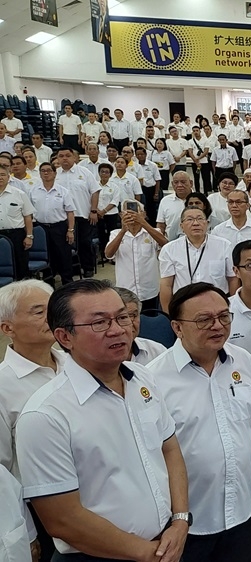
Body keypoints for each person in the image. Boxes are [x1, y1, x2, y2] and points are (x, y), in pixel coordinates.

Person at [16, 279, 191, 561]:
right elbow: (63, 519)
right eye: (100, 323)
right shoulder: (45, 416)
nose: (119, 329)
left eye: (123, 317)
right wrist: (148, 554)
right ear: (64, 337)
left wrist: (181, 519)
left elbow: (169, 448)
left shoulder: (142, 377)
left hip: (165, 544)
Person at [145, 283, 251, 562]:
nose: (218, 326)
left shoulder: (244, 361)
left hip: (242, 510)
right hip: (187, 523)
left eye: (224, 316)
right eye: (204, 320)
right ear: (177, 328)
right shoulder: (153, 380)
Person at [0, 280, 61, 562]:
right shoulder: (4, 385)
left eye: (52, 309)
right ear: (7, 328)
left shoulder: (76, 364)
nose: (50, 317)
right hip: (42, 510)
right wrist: (26, 533)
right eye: (38, 312)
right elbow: (2, 472)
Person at [158, 207, 238, 311]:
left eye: (200, 219)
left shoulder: (224, 245)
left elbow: (233, 279)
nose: (196, 223)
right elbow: (166, 284)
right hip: (184, 304)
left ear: (207, 223)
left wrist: (232, 307)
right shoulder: (169, 249)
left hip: (217, 303)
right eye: (190, 219)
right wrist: (168, 314)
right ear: (181, 226)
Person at [27, 163, 77, 286]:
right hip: (40, 228)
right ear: (39, 174)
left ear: (55, 173)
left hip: (59, 227)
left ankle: (67, 283)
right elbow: (28, 212)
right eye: (42, 171)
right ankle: (48, 282)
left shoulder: (63, 191)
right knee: (47, 256)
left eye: (49, 170)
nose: (46, 173)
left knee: (63, 255)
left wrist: (70, 230)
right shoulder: (33, 191)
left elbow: (70, 212)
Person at [55, 148, 101, 278]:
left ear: (74, 158)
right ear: (57, 159)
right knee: (65, 245)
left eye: (68, 156)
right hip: (62, 217)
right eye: (61, 156)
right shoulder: (55, 174)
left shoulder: (84, 172)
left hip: (82, 214)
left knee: (84, 243)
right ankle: (71, 269)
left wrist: (93, 210)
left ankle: (87, 267)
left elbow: (95, 191)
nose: (64, 158)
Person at [0, 167, 35, 280]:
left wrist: (29, 236)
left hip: (16, 235)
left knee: (20, 266)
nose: (0, 177)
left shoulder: (19, 194)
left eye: (2, 175)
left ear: (8, 177)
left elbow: (27, 217)